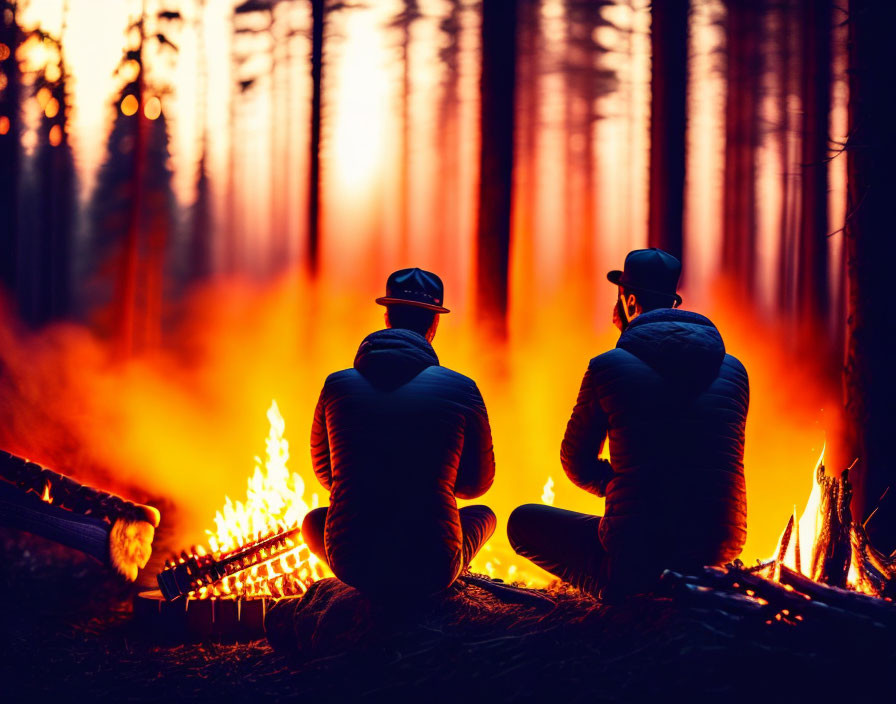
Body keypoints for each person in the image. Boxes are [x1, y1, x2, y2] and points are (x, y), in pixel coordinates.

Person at [507, 248, 749, 598]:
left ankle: (625, 597)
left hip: (638, 550)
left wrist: (625, 484)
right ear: (674, 303)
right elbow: (720, 462)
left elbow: (576, 463)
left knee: (523, 523)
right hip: (715, 550)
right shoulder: (734, 370)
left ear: (630, 300)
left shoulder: (607, 367)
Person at [302, 267, 496, 598]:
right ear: (434, 323)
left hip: (352, 561)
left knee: (313, 522)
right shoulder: (462, 388)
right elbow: (476, 486)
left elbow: (327, 477)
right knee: (484, 516)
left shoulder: (336, 386)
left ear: (387, 317)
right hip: (432, 567)